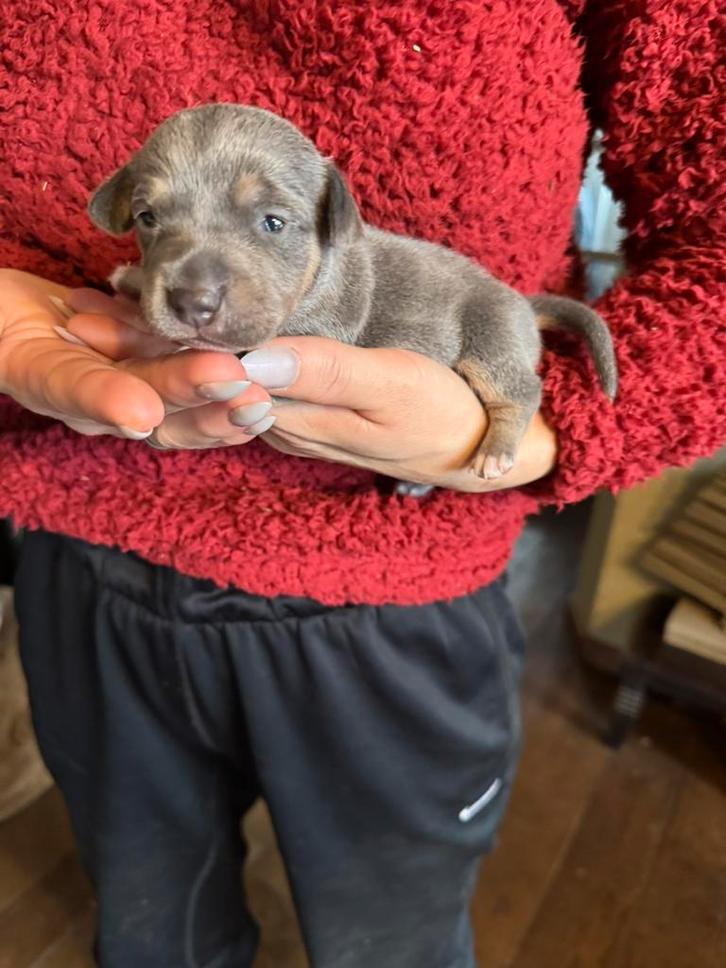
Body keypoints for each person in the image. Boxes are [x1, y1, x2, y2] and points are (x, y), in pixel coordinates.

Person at [0, 2, 723, 966]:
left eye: (268, 221)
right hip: (82, 547)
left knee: (390, 944)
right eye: (153, 216)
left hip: (392, 595)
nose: (197, 277)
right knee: (147, 931)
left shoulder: (367, 265)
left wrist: (530, 435)